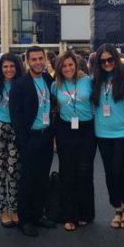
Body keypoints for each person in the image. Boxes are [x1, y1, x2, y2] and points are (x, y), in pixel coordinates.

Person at [10, 46, 56, 237]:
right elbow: (16, 115)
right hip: (30, 138)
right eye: (34, 59)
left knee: (42, 178)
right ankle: (25, 219)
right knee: (27, 179)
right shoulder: (20, 84)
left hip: (46, 136)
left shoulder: (48, 80)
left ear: (45, 60)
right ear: (27, 61)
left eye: (40, 59)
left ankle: (38, 214)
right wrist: (23, 140)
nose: (38, 62)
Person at [52, 51, 96, 232]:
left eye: (71, 65)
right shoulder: (55, 85)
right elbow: (53, 110)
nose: (68, 68)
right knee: (67, 172)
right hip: (65, 130)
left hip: (86, 130)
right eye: (64, 66)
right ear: (59, 68)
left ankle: (85, 213)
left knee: (85, 172)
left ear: (76, 65)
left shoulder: (88, 81)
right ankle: (69, 215)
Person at [91, 43, 124, 230]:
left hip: (123, 132)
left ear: (116, 59)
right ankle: (117, 207)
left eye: (110, 59)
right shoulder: (95, 81)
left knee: (118, 169)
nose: (107, 63)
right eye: (103, 61)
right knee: (109, 172)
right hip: (101, 132)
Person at [0, 53, 24, 228]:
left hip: (16, 129)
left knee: (14, 171)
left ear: (17, 67)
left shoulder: (23, 85)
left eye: (12, 66)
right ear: (0, 68)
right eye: (5, 66)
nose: (8, 70)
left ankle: (16, 209)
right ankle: (3, 211)